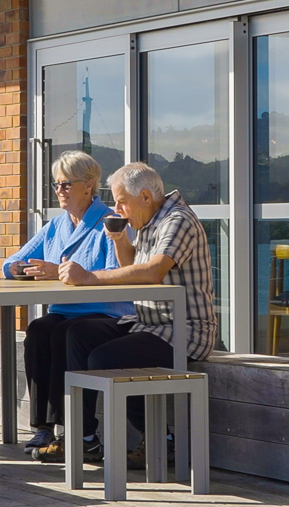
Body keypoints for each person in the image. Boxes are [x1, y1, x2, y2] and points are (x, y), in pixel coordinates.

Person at [32, 162, 217, 466]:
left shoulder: (177, 220)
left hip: (184, 330)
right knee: (75, 333)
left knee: (105, 358)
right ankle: (83, 438)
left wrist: (89, 277)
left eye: (121, 201)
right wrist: (120, 241)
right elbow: (132, 266)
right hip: (147, 323)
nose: (116, 209)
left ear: (145, 196)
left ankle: (160, 438)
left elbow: (153, 271)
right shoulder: (149, 220)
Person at [1, 151, 135, 455]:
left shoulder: (110, 223)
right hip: (64, 311)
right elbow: (9, 263)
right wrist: (23, 268)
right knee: (39, 329)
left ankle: (83, 434)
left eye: (66, 184)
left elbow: (118, 274)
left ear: (89, 185)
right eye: (56, 185)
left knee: (65, 333)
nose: (59, 190)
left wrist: (62, 273)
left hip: (107, 313)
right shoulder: (55, 226)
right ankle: (44, 428)